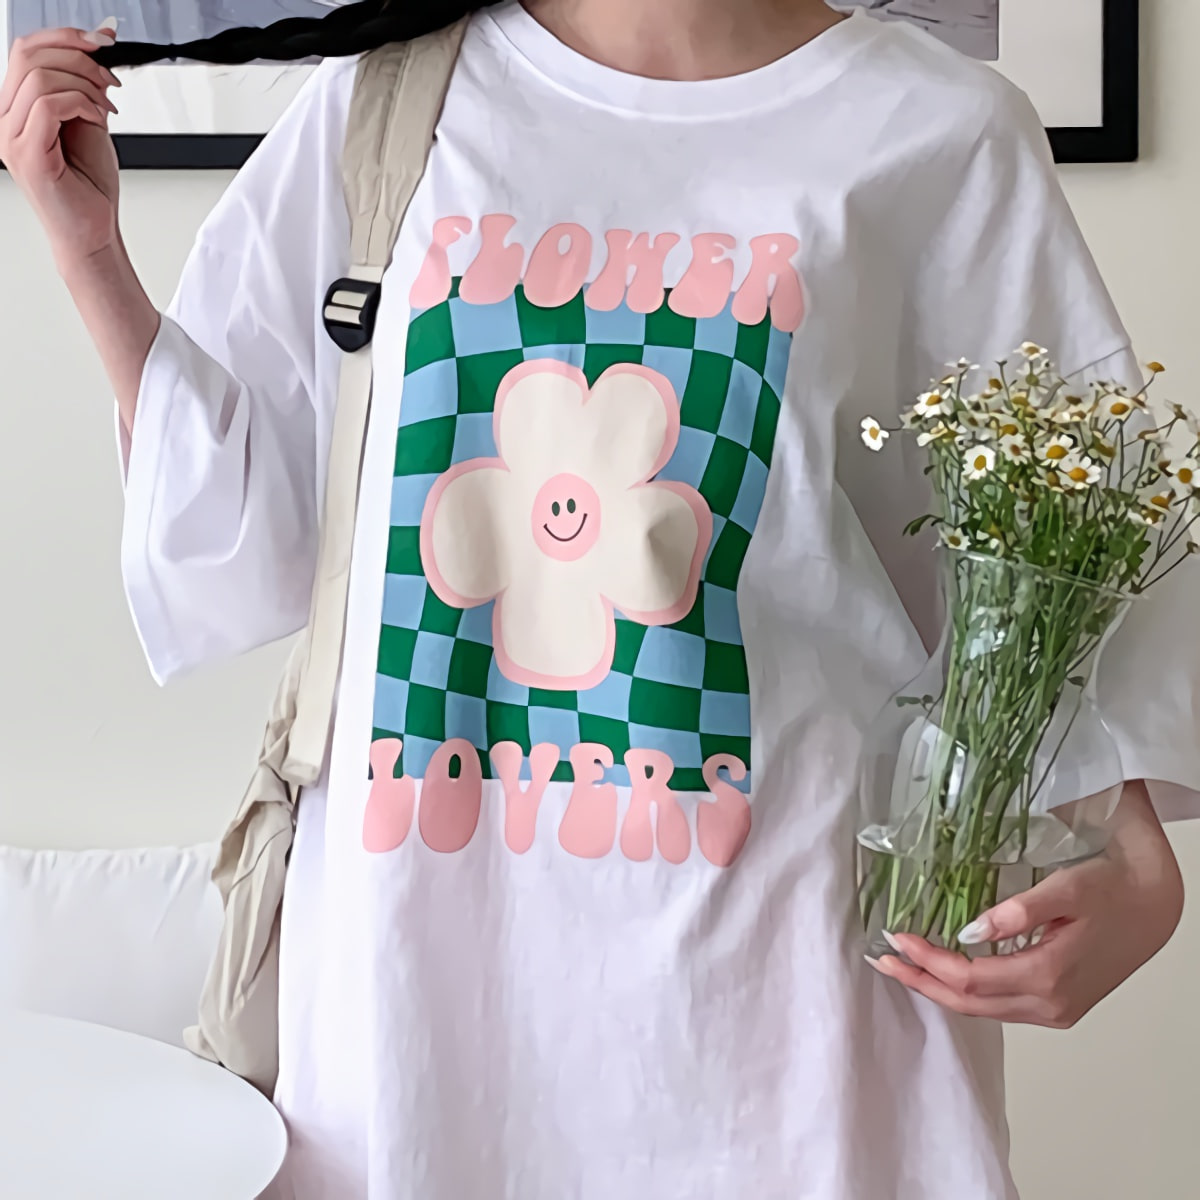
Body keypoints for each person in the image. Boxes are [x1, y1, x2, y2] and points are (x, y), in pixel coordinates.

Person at [1, 2, 1196, 1197]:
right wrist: (89, 252)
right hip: (423, 985)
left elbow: (1065, 547)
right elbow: (243, 535)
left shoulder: (939, 130)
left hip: (788, 994)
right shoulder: (387, 106)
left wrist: (1138, 873)